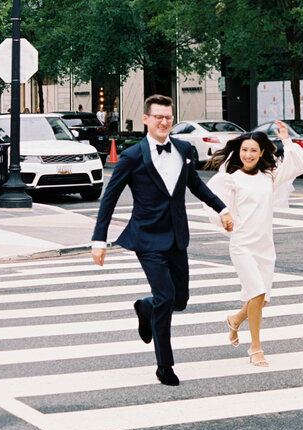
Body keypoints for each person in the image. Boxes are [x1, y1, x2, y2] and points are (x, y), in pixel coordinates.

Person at [90, 94, 233, 387]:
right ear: (146, 119)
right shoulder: (131, 156)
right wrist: (99, 239)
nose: (164, 122)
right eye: (158, 117)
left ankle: (145, 307)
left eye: (168, 116)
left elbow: (195, 184)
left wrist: (223, 207)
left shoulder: (182, 148)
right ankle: (164, 365)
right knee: (166, 298)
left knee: (180, 299)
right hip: (147, 238)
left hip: (177, 237)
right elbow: (110, 199)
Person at [207, 121, 303, 367]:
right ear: (238, 152)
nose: (248, 155)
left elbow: (298, 165)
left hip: (265, 246)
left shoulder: (269, 176)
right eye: (244, 150)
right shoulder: (231, 179)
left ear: (262, 152)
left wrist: (286, 140)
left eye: (253, 150)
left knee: (260, 300)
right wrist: (224, 217)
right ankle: (256, 348)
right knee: (257, 293)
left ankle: (234, 320)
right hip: (242, 245)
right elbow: (214, 203)